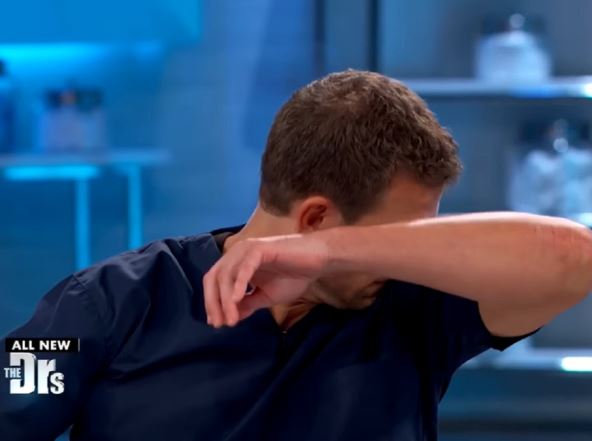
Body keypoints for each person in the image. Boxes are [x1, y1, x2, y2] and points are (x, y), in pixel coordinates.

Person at [1, 70, 590, 441]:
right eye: (399, 233)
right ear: (312, 215)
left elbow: (575, 255)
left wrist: (331, 250)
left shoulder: (414, 304)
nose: (396, 257)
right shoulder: (104, 303)